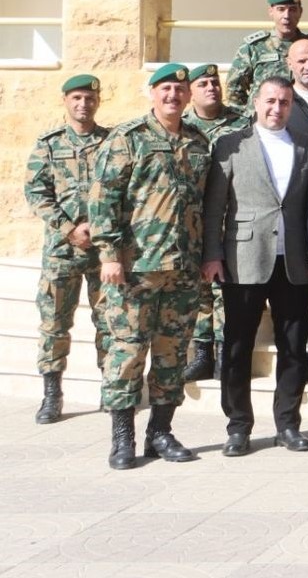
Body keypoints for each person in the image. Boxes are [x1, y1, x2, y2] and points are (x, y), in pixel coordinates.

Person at [89, 63, 211, 469]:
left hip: (183, 269)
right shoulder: (128, 139)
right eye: (165, 89)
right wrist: (109, 255)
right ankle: (122, 437)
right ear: (152, 94)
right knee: (126, 353)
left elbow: (204, 203)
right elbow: (103, 198)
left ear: (188, 96)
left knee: (172, 355)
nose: (173, 95)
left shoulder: (198, 142)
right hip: (136, 269)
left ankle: (160, 432)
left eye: (179, 90)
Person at [201, 77, 308, 456]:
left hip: (294, 262)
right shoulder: (231, 145)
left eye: (284, 102)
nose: (276, 108)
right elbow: (214, 208)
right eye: (270, 101)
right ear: (256, 102)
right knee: (237, 346)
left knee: (294, 346)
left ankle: (288, 424)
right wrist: (212, 254)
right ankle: (238, 426)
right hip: (244, 259)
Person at [27, 73, 111, 424]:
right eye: (77, 97)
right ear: (65, 101)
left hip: (104, 251)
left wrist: (103, 231)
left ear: (98, 101)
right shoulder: (49, 144)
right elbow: (36, 193)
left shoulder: (112, 142)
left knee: (110, 322)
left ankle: (112, 390)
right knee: (54, 325)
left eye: (89, 98)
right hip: (62, 252)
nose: (83, 104)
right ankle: (52, 395)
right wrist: (69, 230)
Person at [180, 64, 249, 383]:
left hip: (231, 215)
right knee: (199, 286)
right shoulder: (182, 127)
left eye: (215, 82)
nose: (212, 88)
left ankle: (224, 353)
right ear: (191, 92)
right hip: (192, 219)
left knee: (226, 287)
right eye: (204, 84)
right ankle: (202, 353)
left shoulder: (242, 122)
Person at [226, 0, 307, 109]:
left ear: (300, 12)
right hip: (263, 117)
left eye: (292, 10)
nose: (286, 16)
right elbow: (234, 88)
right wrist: (248, 116)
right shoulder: (254, 47)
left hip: (300, 116)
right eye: (281, 9)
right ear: (271, 12)